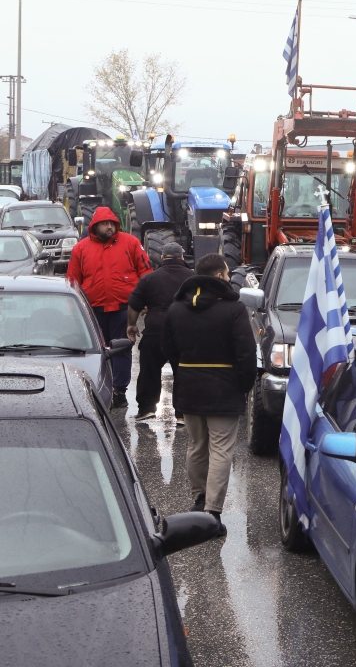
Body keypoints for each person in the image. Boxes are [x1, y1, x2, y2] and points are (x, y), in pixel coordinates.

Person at [161, 253, 256, 532]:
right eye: (227, 274)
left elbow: (168, 349)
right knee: (221, 450)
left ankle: (198, 498)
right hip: (224, 389)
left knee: (196, 445)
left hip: (189, 386)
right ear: (218, 276)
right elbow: (246, 353)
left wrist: (183, 372)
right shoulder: (234, 309)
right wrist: (244, 385)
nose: (229, 278)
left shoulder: (176, 308)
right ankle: (212, 512)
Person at [66, 206, 152, 408]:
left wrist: (147, 298)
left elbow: (145, 271)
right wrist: (72, 309)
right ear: (95, 226)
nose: (109, 228)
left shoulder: (131, 243)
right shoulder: (81, 248)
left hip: (124, 308)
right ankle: (98, 388)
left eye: (111, 224)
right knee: (96, 351)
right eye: (104, 224)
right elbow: (72, 279)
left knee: (122, 349)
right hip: (93, 309)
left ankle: (119, 391)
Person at [126, 242, 195, 421]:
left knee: (149, 369)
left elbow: (134, 304)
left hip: (155, 331)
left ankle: (147, 408)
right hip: (184, 332)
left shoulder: (149, 278)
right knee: (183, 372)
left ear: (162, 258)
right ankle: (182, 414)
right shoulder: (193, 278)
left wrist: (132, 325)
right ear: (182, 257)